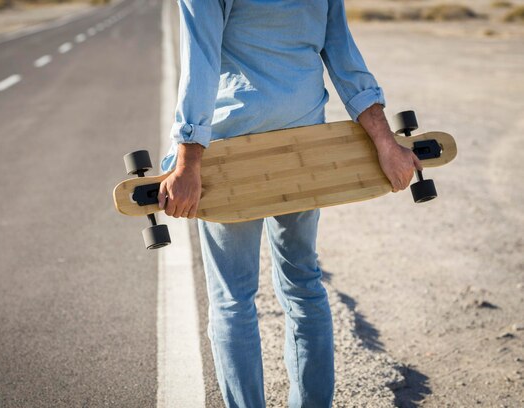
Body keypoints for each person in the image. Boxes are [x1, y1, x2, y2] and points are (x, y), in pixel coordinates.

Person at [158, 1, 422, 407]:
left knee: (233, 298)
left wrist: (188, 161)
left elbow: (201, 62)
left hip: (234, 155)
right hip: (304, 149)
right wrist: (385, 141)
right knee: (304, 285)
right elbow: (345, 59)